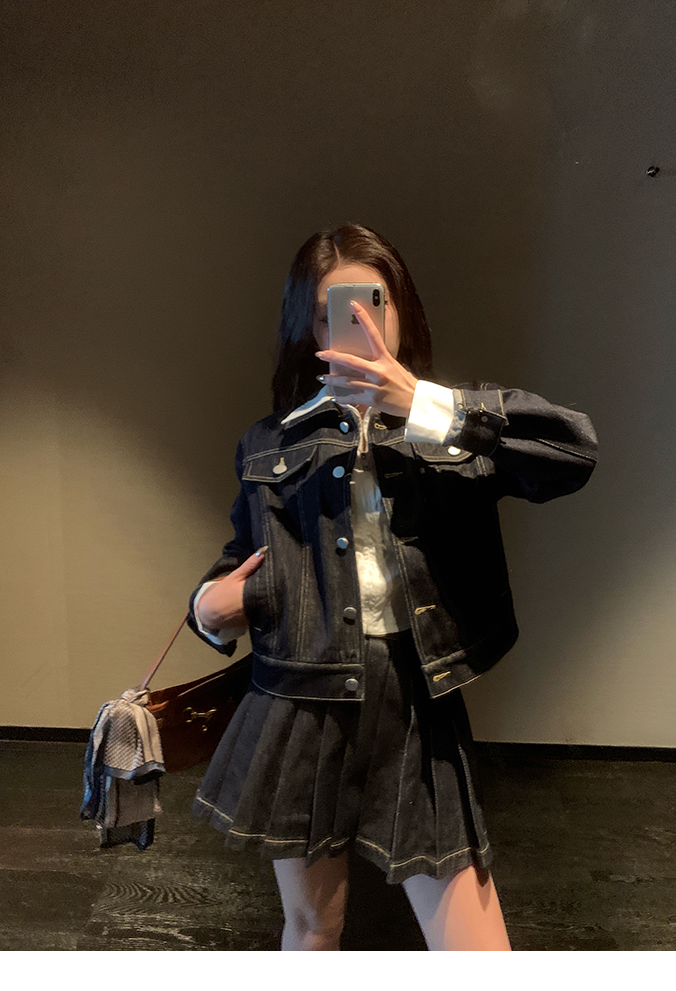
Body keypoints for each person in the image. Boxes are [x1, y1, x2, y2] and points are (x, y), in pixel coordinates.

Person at [187, 224, 598, 951]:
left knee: (476, 950)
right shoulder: (270, 442)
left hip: (416, 703)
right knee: (313, 925)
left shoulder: (452, 421)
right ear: (309, 329)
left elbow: (571, 454)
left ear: (401, 310)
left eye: (374, 303)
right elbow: (238, 557)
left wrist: (423, 403)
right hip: (301, 701)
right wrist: (208, 607)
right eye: (332, 312)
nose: (358, 325)